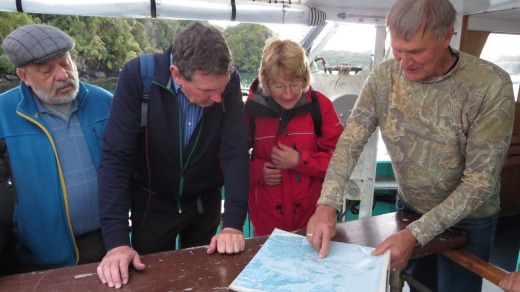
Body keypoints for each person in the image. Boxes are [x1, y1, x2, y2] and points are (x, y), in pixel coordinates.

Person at [305, 0, 515, 291]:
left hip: (469, 219)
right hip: (411, 208)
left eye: (416, 51)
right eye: (398, 51)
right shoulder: (383, 77)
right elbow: (351, 142)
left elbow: (479, 183)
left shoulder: (491, 85)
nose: (405, 63)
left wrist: (415, 235)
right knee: (417, 286)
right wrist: (326, 204)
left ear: (446, 36)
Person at [96, 22, 250, 289]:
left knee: (206, 280)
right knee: (154, 283)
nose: (217, 98)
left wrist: (234, 224)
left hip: (204, 203)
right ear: (176, 74)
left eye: (221, 89)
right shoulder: (137, 76)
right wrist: (118, 243)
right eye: (206, 91)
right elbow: (116, 158)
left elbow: (235, 152)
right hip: (152, 204)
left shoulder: (230, 81)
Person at [0, 24, 112, 273]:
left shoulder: (105, 103)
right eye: (46, 71)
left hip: (107, 246)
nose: (62, 75)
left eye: (65, 63)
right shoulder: (2, 115)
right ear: (24, 76)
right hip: (38, 257)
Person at [244, 38, 343, 236]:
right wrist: (256, 171)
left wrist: (300, 161)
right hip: (266, 223)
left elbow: (342, 161)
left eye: (295, 84)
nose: (288, 94)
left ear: (305, 79)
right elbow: (228, 159)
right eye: (279, 86)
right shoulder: (251, 111)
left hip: (312, 221)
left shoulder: (320, 106)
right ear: (266, 82)